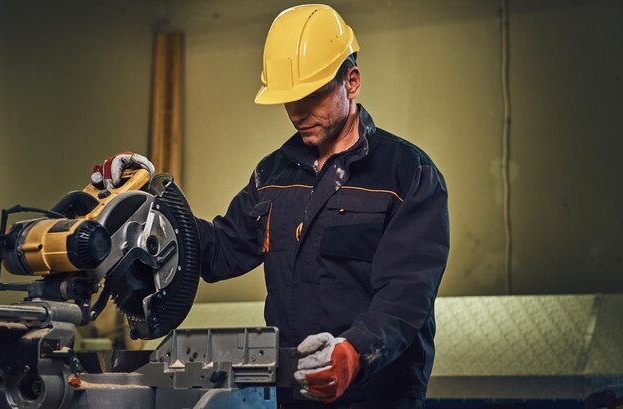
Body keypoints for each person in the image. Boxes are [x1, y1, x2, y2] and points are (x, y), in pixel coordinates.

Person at [93, 5, 449, 409]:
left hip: (378, 393)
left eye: (311, 95)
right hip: (294, 394)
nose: (297, 112)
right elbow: (215, 252)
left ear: (351, 82)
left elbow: (407, 295)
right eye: (288, 99)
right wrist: (139, 207)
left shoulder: (407, 174)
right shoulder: (273, 174)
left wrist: (354, 353)